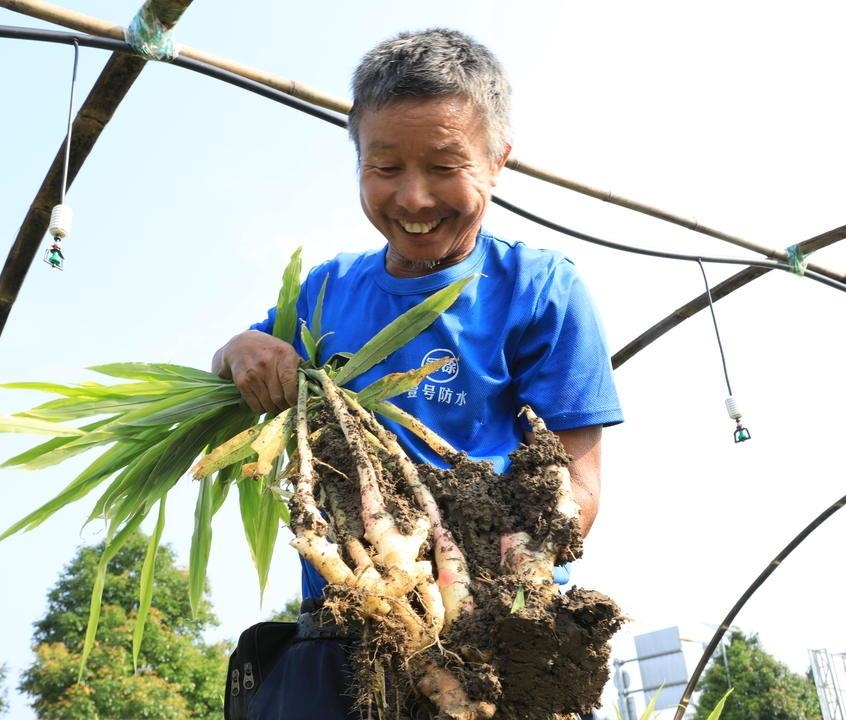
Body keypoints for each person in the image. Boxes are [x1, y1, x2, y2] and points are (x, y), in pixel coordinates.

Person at [213, 27, 623, 720]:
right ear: (358, 164)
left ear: (498, 163)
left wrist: (486, 573)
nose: (412, 198)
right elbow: (234, 360)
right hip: (349, 637)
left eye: (443, 166)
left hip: (498, 637)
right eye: (385, 167)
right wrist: (240, 349)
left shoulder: (538, 288)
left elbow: (577, 487)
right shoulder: (325, 292)